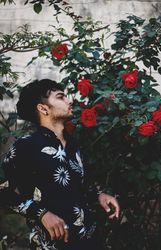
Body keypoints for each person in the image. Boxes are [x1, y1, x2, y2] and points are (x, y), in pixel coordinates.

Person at [0, 79, 120, 250]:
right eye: (61, 97)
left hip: (90, 240)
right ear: (43, 108)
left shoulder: (74, 145)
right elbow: (3, 191)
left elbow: (80, 187)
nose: (69, 101)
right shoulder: (26, 146)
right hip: (52, 244)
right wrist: (41, 214)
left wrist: (100, 195)